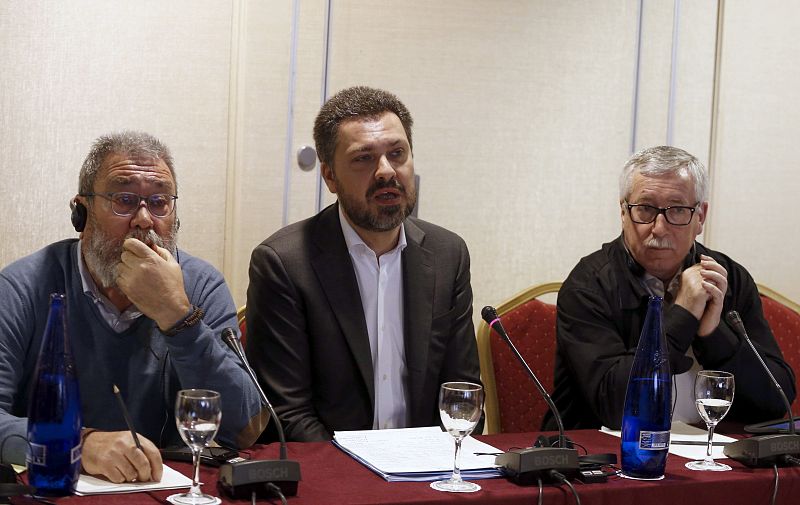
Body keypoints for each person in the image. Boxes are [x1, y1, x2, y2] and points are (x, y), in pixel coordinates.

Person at [0, 132, 266, 483]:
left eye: (159, 202)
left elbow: (244, 428)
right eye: (124, 200)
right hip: (57, 489)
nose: (144, 219)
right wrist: (78, 444)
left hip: (166, 488)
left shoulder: (201, 285)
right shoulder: (22, 287)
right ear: (82, 213)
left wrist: (177, 317)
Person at [246, 86, 482, 442]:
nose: (386, 171)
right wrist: (364, 470)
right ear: (330, 176)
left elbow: (462, 395)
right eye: (363, 158)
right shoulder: (284, 264)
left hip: (424, 466)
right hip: (330, 467)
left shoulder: (448, 254)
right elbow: (288, 414)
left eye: (397, 154)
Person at [547, 145, 796, 430]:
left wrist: (714, 335)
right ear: (623, 212)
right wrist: (684, 314)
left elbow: (777, 401)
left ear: (700, 216)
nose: (659, 228)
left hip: (712, 450)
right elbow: (615, 406)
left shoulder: (729, 279)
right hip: (604, 452)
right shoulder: (588, 286)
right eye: (645, 209)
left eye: (677, 210)